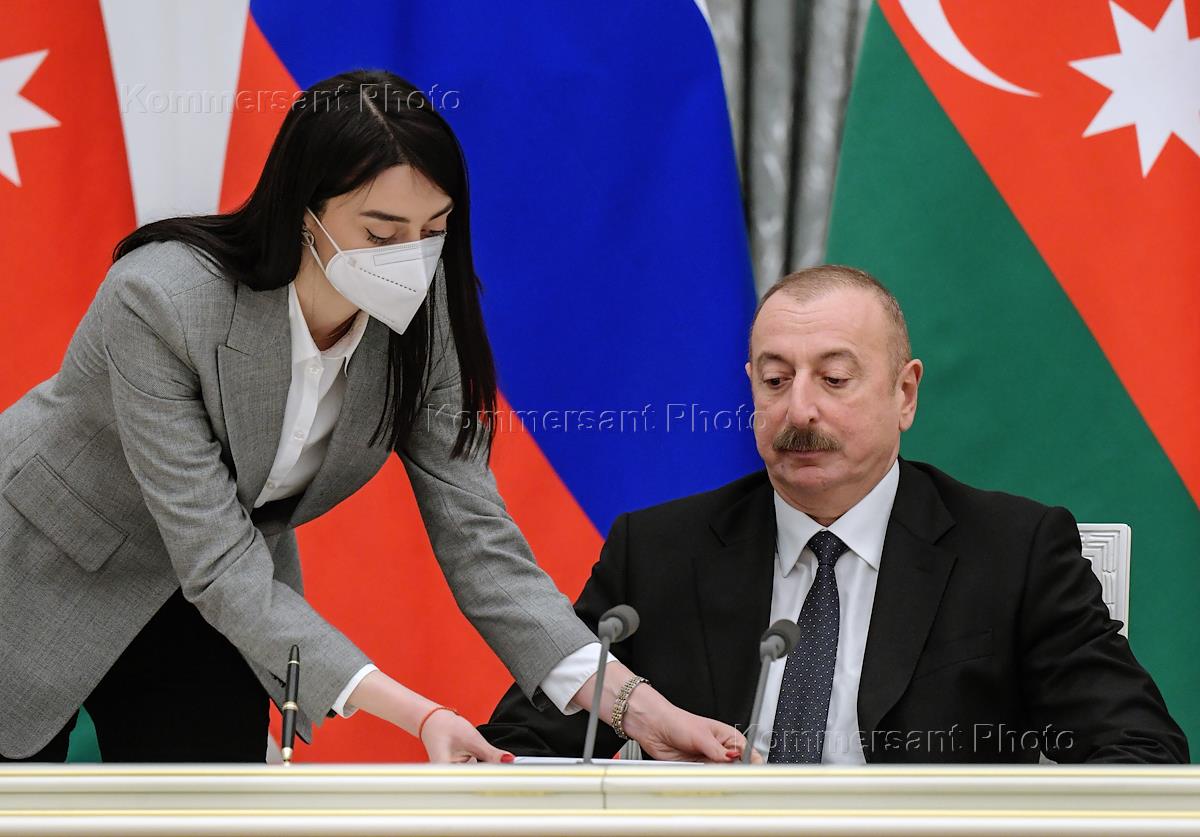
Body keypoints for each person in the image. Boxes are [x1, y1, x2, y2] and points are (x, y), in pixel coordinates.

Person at [0, 70, 746, 764]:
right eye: (381, 234)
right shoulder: (158, 299)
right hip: (43, 563)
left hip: (221, 606)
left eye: (434, 228)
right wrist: (421, 715)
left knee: (211, 813)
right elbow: (217, 559)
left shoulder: (423, 317)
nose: (411, 259)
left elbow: (480, 541)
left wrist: (638, 708)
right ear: (303, 213)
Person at [481, 265, 1189, 764]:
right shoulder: (660, 550)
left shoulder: (1014, 552)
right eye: (775, 379)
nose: (800, 410)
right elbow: (525, 747)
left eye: (835, 378)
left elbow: (1140, 752)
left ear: (905, 394)